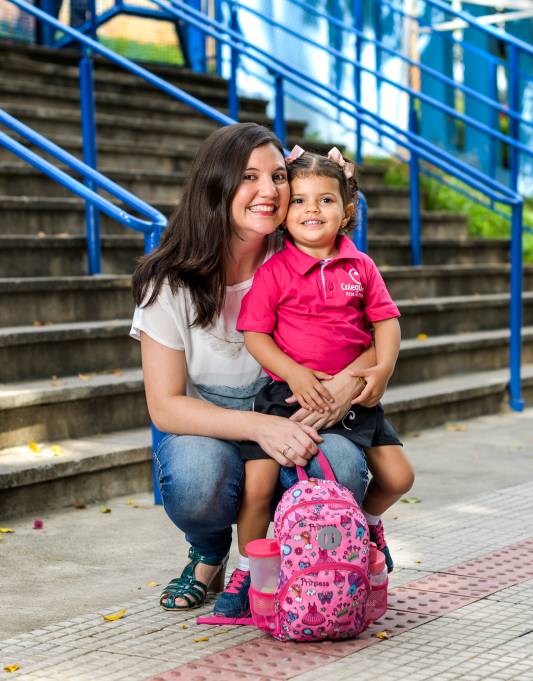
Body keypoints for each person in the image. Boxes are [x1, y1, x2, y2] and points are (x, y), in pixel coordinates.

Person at [131, 123, 375, 611]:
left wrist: (353, 383)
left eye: (279, 176)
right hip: (212, 426)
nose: (269, 191)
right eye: (249, 177)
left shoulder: (304, 251)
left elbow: (366, 336)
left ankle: (285, 560)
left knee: (343, 468)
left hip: (294, 410)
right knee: (198, 480)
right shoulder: (170, 281)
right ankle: (208, 553)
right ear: (216, 186)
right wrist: (259, 428)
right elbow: (165, 406)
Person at [212, 147, 415, 617]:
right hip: (287, 397)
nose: (311, 210)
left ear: (346, 212)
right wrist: (295, 373)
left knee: (400, 477)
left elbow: (387, 323)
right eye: (299, 201)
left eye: (325, 201)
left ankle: (362, 529)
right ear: (284, 216)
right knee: (258, 485)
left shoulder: (360, 267)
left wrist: (381, 370)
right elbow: (256, 335)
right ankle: (250, 570)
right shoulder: (275, 271)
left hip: (355, 398)